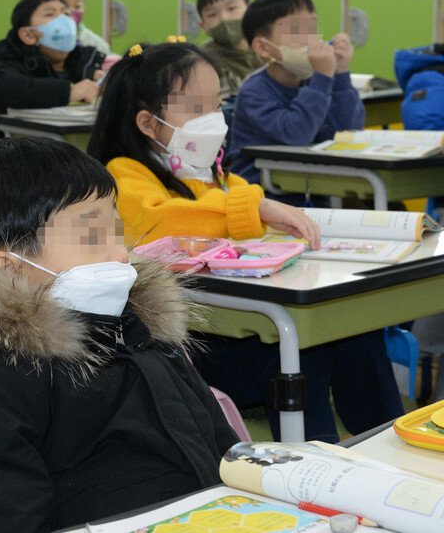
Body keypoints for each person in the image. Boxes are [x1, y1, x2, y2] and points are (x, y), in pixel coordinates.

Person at [0, 137, 239, 532]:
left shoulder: (137, 334)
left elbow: (229, 462)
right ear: (9, 267)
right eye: (91, 237)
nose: (121, 255)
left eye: (116, 229)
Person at [88, 40, 403, 442]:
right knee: (302, 351)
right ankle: (311, 468)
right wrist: (258, 209)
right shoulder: (122, 174)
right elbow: (164, 221)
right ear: (148, 124)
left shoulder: (208, 172)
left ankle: (387, 442)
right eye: (197, 108)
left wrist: (262, 211)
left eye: (217, 105)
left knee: (355, 332)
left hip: (237, 329)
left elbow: (246, 207)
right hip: (193, 347)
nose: (215, 120)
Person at [229, 0, 365, 191]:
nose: (309, 40)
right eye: (296, 31)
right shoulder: (254, 91)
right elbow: (296, 135)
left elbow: (345, 131)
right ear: (263, 47)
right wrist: (323, 78)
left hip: (310, 188)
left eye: (312, 29)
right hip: (263, 196)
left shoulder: (312, 82)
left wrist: (340, 74)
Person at [0, 0, 106, 149]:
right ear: (27, 35)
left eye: (66, 13)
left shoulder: (83, 62)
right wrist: (69, 92)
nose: (63, 20)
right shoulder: (12, 59)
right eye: (49, 14)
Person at [196, 0, 263, 98]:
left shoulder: (267, 49)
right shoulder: (204, 61)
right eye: (212, 14)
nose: (224, 18)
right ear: (203, 26)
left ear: (249, 10)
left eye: (232, 8)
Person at [48, 0, 112, 55]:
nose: (71, 12)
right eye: (65, 6)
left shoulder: (98, 46)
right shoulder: (42, 42)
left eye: (77, 6)